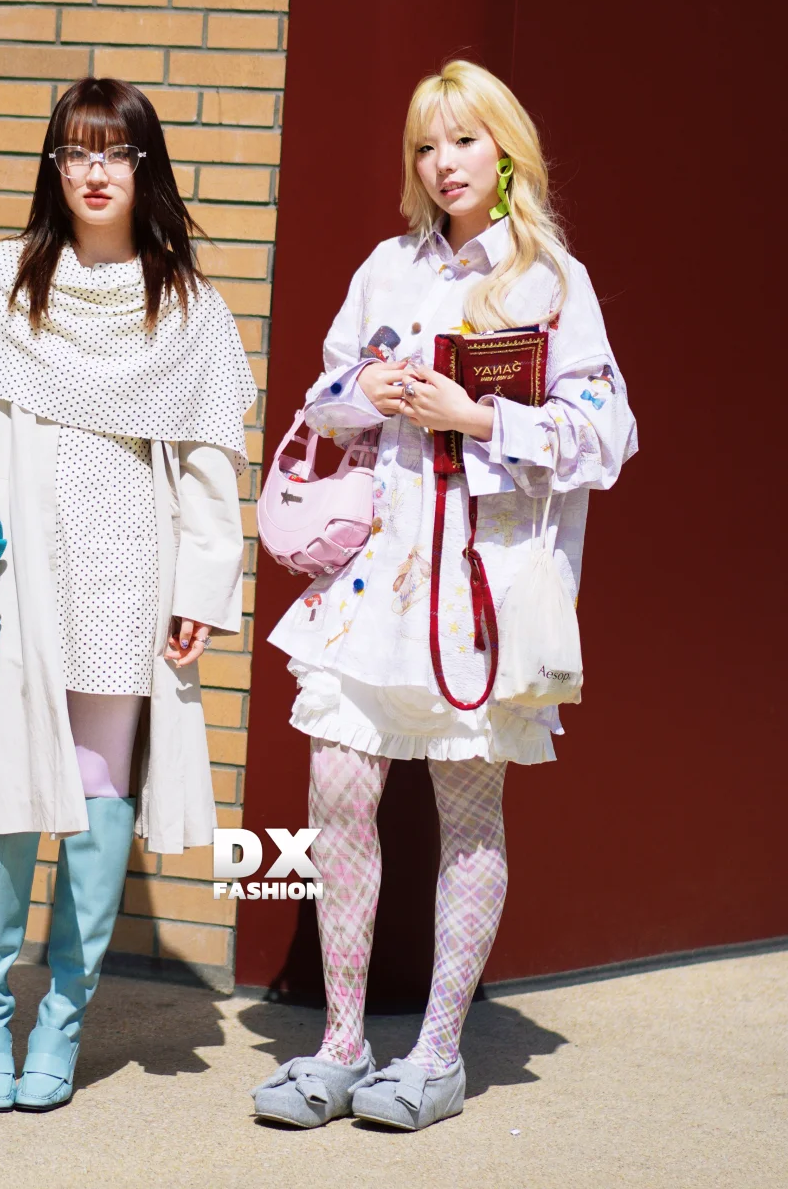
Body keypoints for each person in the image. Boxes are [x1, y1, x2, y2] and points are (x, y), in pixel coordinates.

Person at [252, 60, 637, 1131]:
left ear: (506, 150)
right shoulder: (387, 268)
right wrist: (362, 392)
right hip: (373, 582)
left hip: (480, 590)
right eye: (425, 145)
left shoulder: (551, 281)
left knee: (469, 813)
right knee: (337, 795)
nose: (443, 163)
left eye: (463, 140)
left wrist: (476, 419)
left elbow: (607, 434)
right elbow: (324, 396)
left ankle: (434, 1054)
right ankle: (339, 1043)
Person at [0, 77, 255, 1112]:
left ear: (145, 167)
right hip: (18, 566)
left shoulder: (185, 305)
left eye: (115, 153)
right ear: (53, 166)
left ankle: (62, 1019)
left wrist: (202, 590)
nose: (94, 172)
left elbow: (209, 463)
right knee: (6, 786)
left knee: (101, 793)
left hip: (129, 573)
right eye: (75, 151)